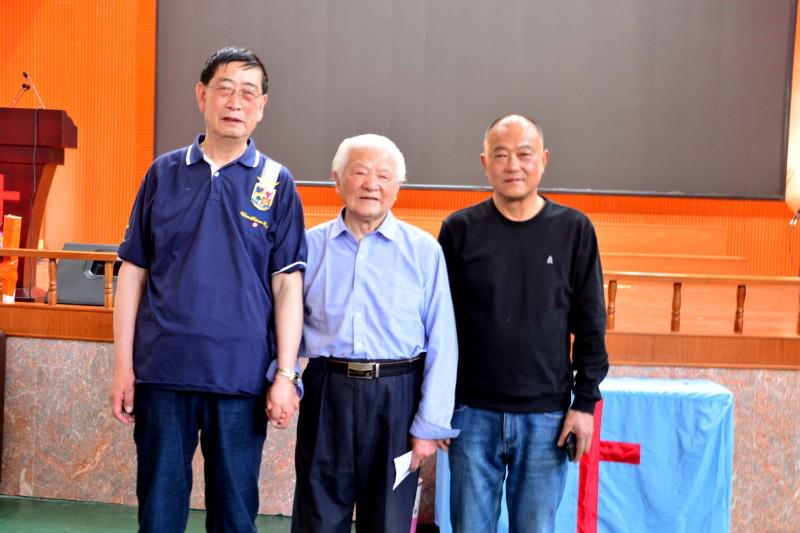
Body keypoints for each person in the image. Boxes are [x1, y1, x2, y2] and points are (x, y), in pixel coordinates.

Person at [110, 47, 306, 532]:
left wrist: (286, 375)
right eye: (224, 89)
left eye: (248, 93)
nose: (235, 102)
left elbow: (287, 285)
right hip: (163, 373)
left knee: (235, 517)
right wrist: (123, 366)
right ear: (202, 95)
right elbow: (132, 273)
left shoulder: (277, 182)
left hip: (241, 379)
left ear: (262, 106)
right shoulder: (163, 173)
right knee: (159, 513)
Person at [437, 114, 609, 533]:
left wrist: (584, 404)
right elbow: (438, 326)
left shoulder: (574, 230)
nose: (513, 165)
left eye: (524, 154)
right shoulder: (459, 231)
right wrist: (436, 405)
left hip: (546, 416)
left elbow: (591, 325)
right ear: (485, 164)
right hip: (470, 415)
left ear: (543, 160)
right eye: (500, 155)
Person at [291, 134, 459, 533]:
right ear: (337, 179)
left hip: (397, 397)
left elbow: (443, 341)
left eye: (384, 176)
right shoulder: (309, 247)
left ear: (398, 187)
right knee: (317, 519)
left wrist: (429, 425)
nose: (371, 184)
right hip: (327, 392)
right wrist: (286, 381)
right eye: (360, 172)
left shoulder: (423, 251)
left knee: (388, 522)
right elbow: (287, 324)